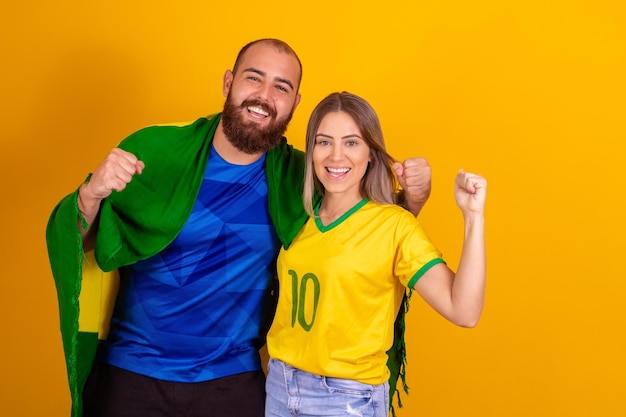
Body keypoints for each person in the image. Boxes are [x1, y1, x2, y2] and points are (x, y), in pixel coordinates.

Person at [45, 40, 432, 417]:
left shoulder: (303, 178)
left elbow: (368, 236)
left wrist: (413, 200)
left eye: (281, 86)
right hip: (132, 377)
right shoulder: (156, 151)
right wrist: (91, 194)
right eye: (253, 78)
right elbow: (84, 245)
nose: (264, 95)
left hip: (233, 384)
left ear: (295, 103)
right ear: (228, 82)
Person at [264, 91, 487, 417]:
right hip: (281, 387)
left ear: (371, 153)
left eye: (351, 143)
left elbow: (464, 310)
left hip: (345, 398)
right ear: (311, 151)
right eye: (324, 142)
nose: (336, 156)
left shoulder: (395, 225)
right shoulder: (298, 217)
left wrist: (473, 217)